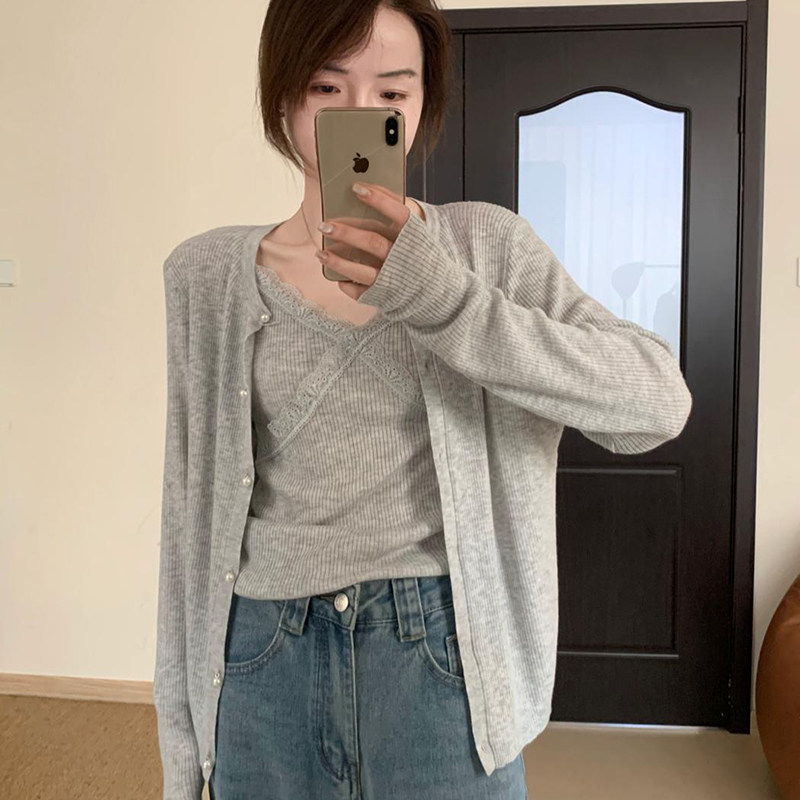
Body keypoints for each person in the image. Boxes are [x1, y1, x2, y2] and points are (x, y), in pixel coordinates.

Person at [153, 1, 693, 798]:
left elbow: (655, 404)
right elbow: (187, 521)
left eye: (391, 94)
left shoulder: (486, 248)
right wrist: (181, 757)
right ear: (282, 98)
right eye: (326, 88)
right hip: (262, 656)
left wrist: (446, 301)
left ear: (422, 104)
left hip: (441, 654)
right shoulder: (206, 277)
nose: (356, 117)